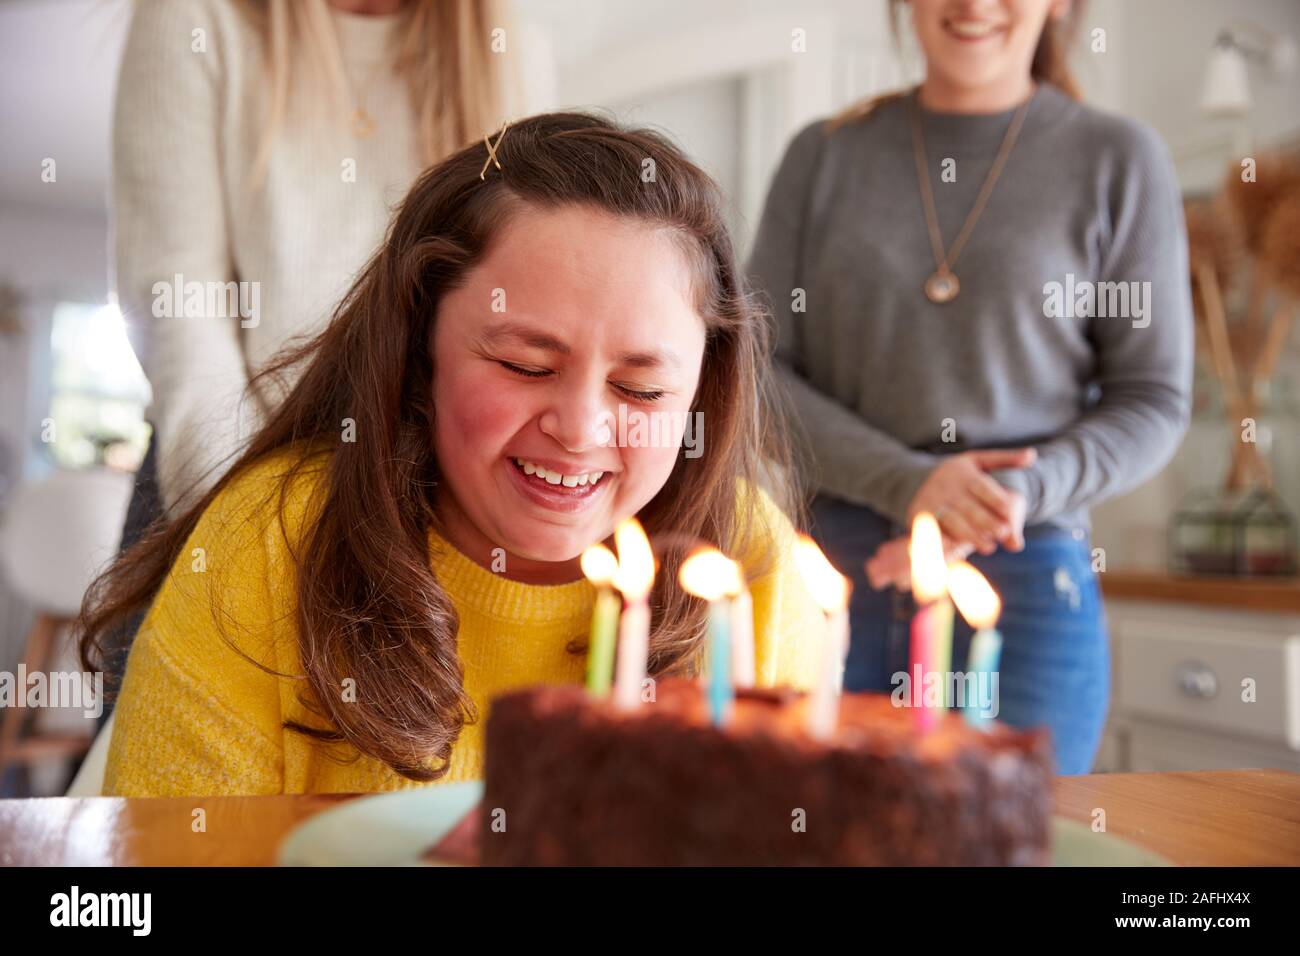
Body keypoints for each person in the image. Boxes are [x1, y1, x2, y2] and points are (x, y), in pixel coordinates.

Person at [78, 113, 825, 796]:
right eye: (525, 366)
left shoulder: (747, 564)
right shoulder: (272, 540)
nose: (579, 429)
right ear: (416, 347)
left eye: (641, 389)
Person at [747, 0, 1193, 774]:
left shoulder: (1119, 158)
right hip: (837, 568)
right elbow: (754, 373)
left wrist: (1014, 495)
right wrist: (912, 484)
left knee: (1013, 840)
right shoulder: (821, 157)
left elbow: (1152, 397)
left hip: (1028, 570)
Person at [103, 0, 553, 704]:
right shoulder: (195, 19)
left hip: (427, 508)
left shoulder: (508, 46)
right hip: (213, 481)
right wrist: (256, 528)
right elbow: (180, 304)